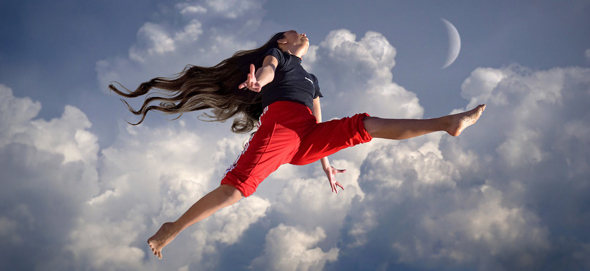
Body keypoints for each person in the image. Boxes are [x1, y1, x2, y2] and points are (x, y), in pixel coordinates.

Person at [110, 30, 485, 259]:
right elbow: (270, 69)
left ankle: (447, 124)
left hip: (306, 135)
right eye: (295, 32)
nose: (303, 34)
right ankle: (173, 228)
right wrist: (260, 81)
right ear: (283, 41)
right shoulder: (279, 57)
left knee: (361, 125)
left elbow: (319, 121)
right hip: (281, 127)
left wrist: (324, 162)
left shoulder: (313, 78)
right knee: (238, 189)